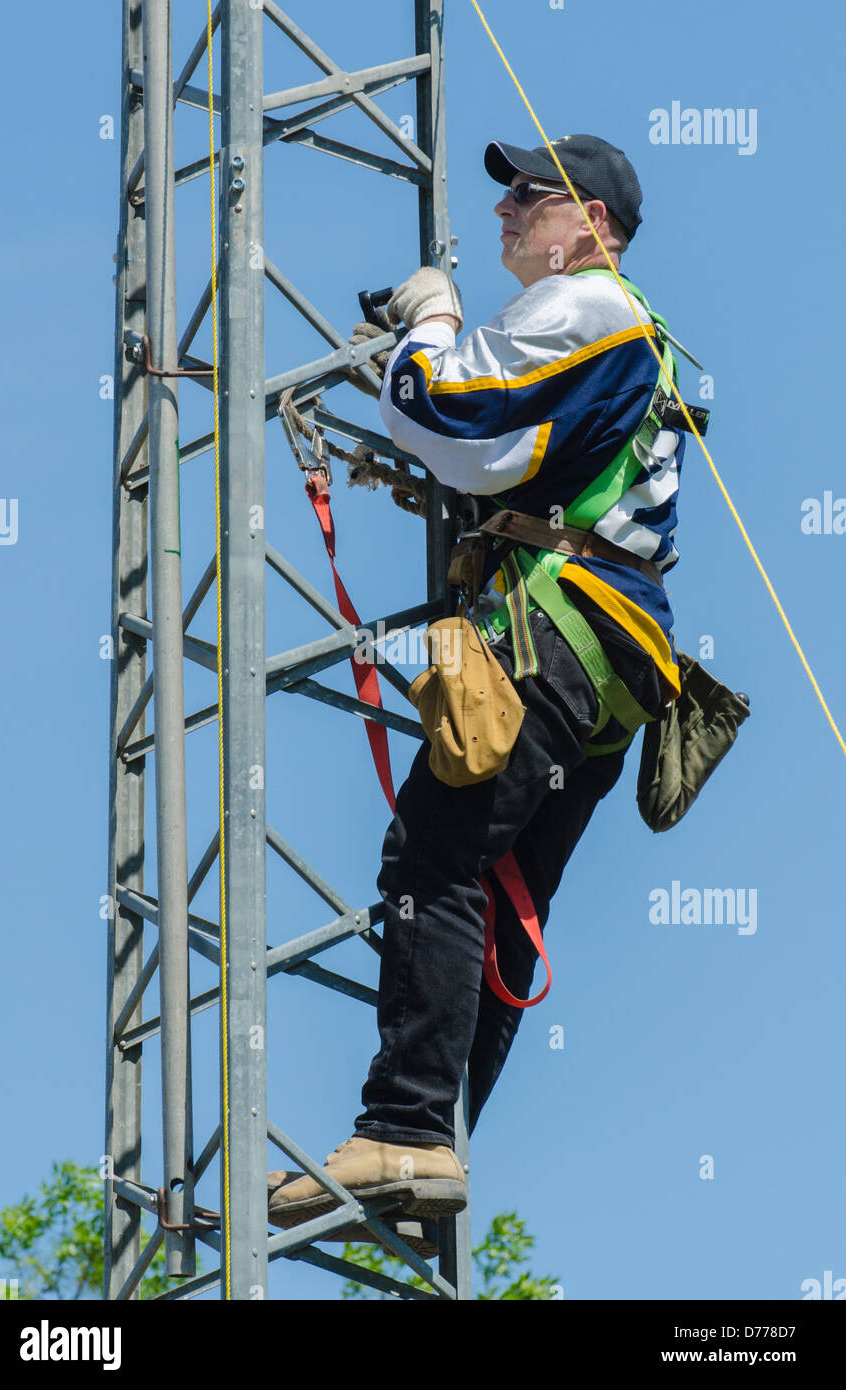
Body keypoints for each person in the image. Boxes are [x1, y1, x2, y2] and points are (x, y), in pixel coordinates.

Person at [268, 133, 687, 1240]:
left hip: (565, 636)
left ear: (591, 224)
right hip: (606, 657)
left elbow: (456, 419)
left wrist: (432, 322)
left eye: (530, 196)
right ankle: (432, 1149)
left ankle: (407, 1129)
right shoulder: (605, 328)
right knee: (503, 890)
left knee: (437, 854)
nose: (505, 209)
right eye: (500, 193)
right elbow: (497, 461)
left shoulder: (589, 306)